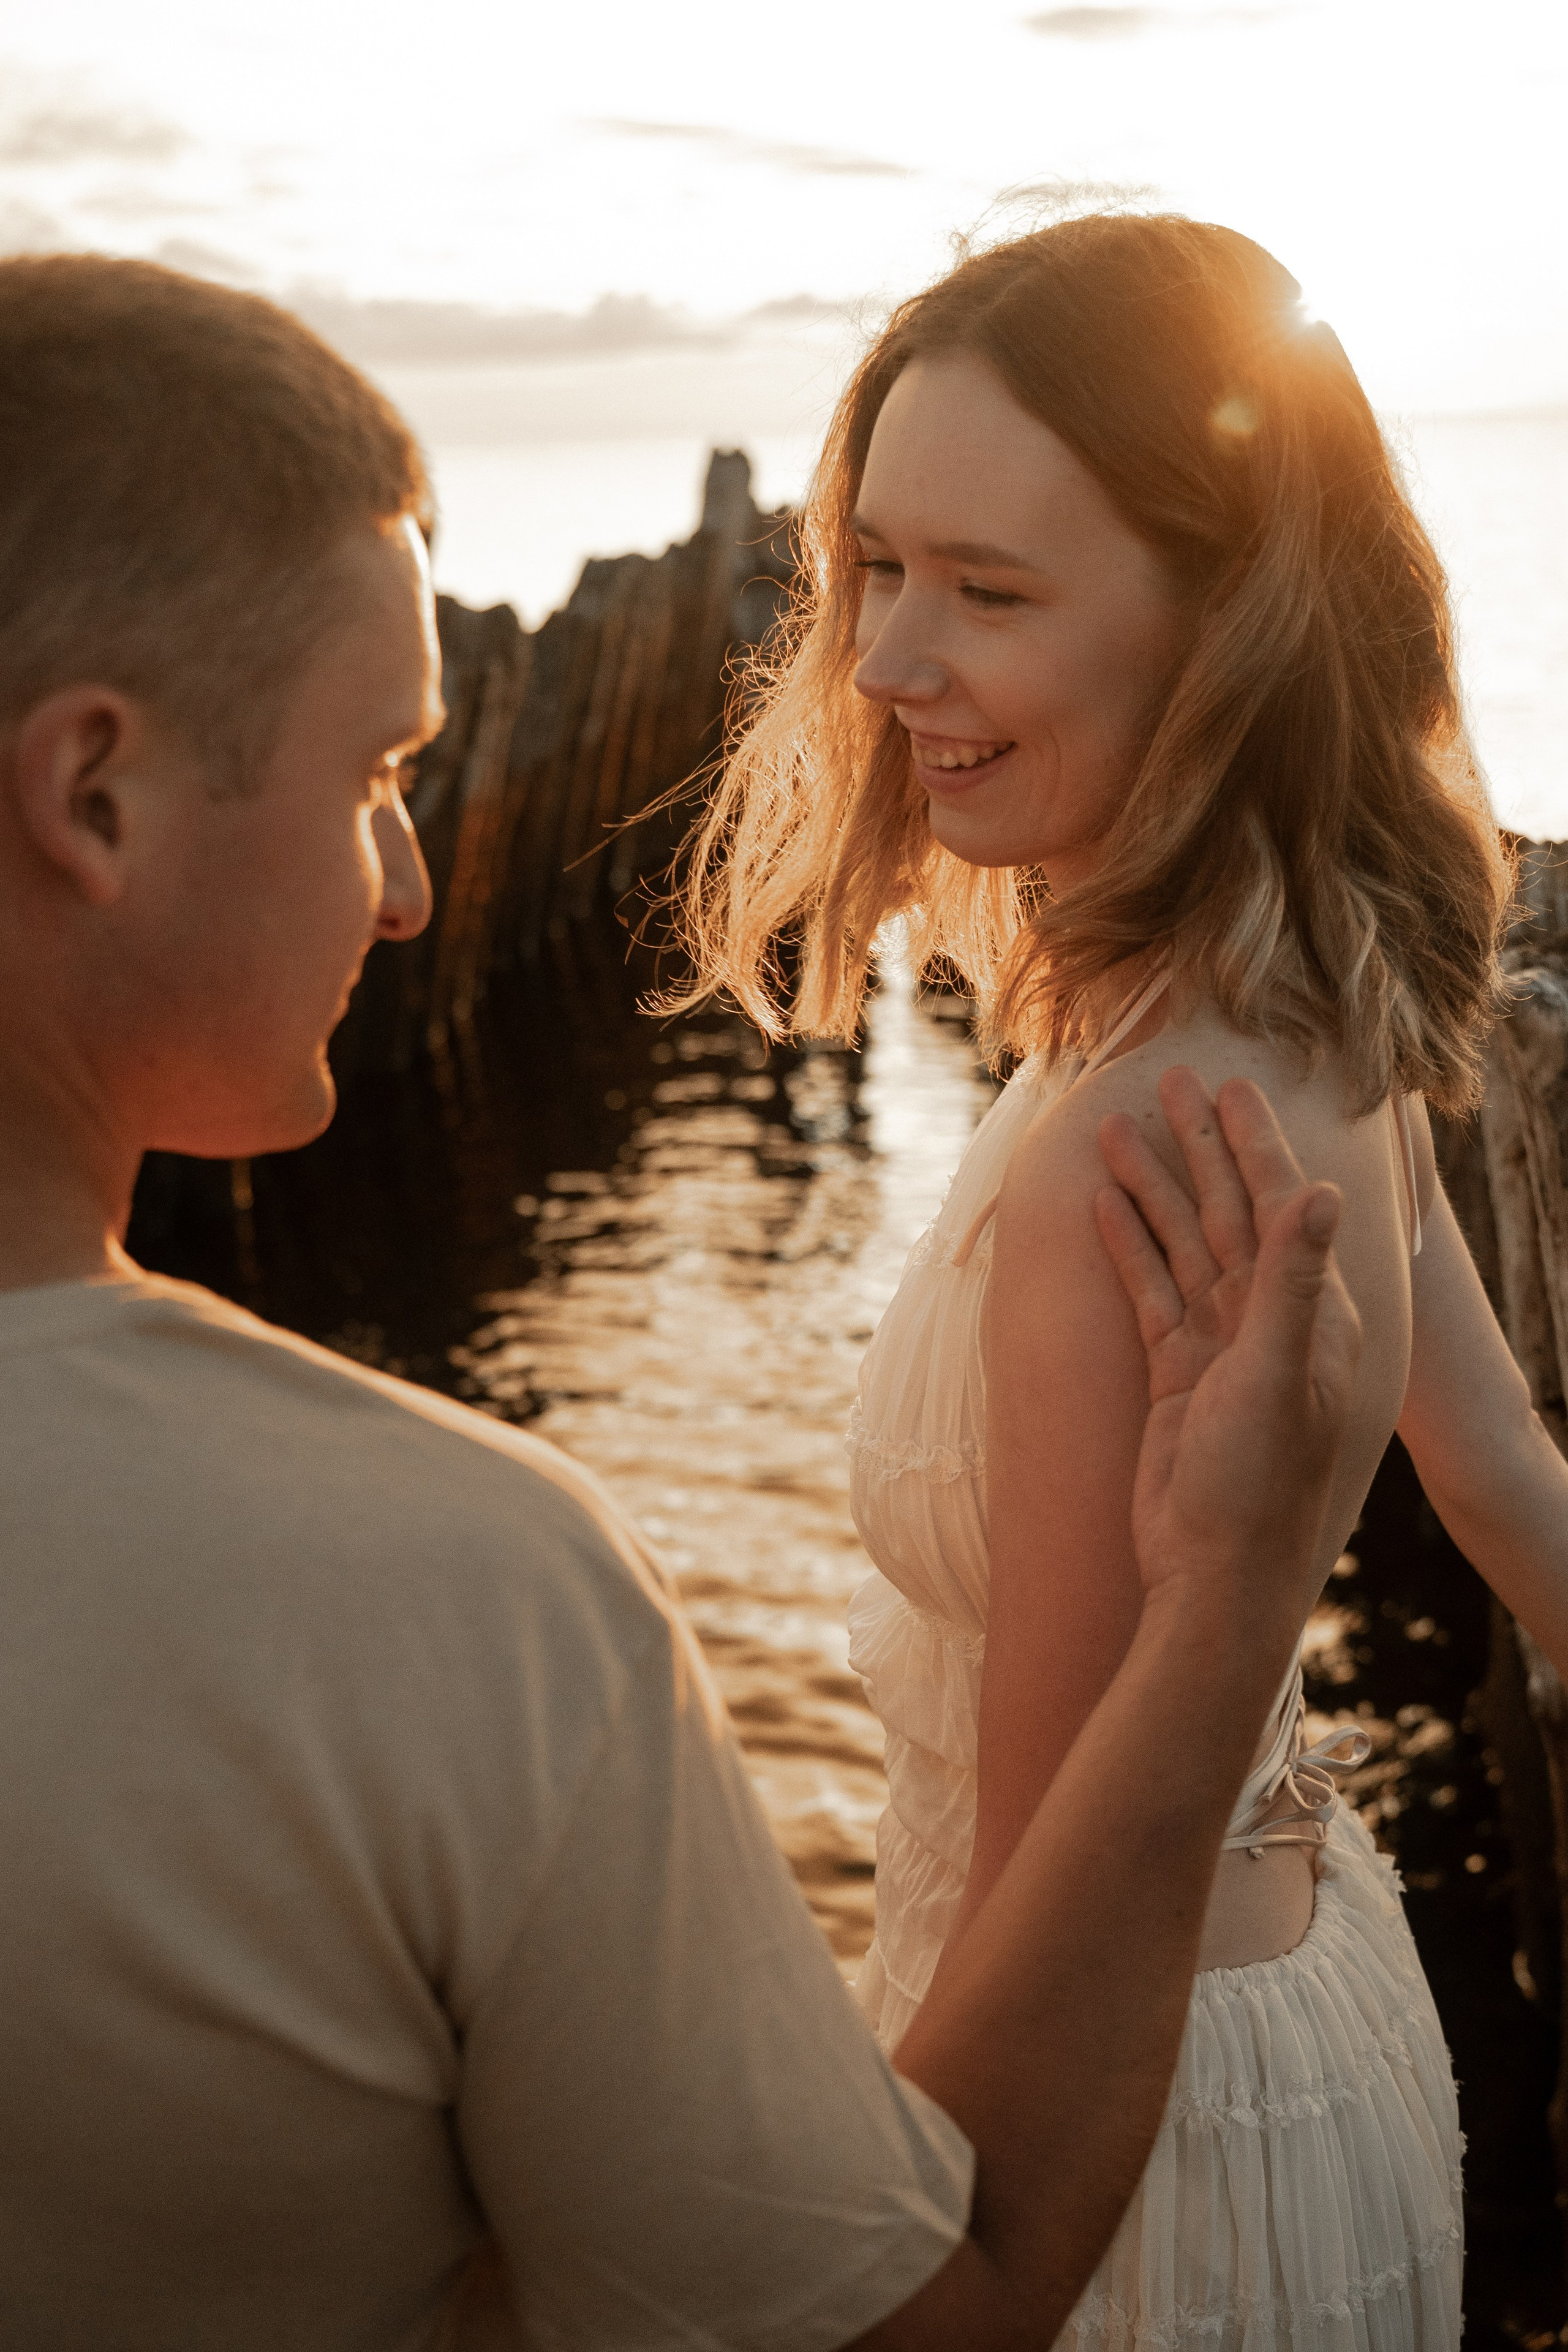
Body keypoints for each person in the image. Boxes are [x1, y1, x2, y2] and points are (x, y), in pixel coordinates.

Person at [0, 251, 1365, 2352]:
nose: (419, 879)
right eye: (380, 770)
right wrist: (1230, 1599)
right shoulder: (446, 1598)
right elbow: (936, 2306)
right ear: (91, 793)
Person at [674, 211, 1568, 2345]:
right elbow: (1517, 1500)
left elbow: (1052, 1909)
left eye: (991, 592)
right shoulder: (1329, 994)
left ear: (1227, 626)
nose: (887, 663)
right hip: (1325, 2019)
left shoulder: (1131, 1156)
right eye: (879, 564)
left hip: (1124, 2151)